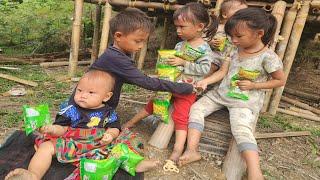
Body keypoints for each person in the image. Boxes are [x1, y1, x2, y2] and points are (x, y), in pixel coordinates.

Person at [179, 8, 286, 180]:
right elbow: (223, 72)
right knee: (196, 109)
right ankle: (192, 150)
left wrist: (254, 85)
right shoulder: (234, 49)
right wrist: (206, 81)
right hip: (221, 94)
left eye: (239, 36)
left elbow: (280, 81)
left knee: (241, 129)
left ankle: (255, 172)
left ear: (259, 33)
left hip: (244, 102)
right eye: (231, 36)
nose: (233, 40)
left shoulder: (268, 57)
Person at [5, 70, 160, 180]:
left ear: (106, 96)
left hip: (98, 143)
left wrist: (110, 135)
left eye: (91, 92)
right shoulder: (70, 109)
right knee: (46, 148)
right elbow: (62, 128)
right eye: (79, 90)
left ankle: (138, 165)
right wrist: (51, 128)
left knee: (123, 145)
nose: (82, 95)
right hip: (71, 141)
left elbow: (115, 127)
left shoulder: (108, 112)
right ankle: (33, 175)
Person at [123, 2, 219, 164]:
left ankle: (177, 149)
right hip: (169, 85)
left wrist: (183, 63)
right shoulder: (180, 45)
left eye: (182, 27)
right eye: (177, 27)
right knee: (153, 104)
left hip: (187, 90)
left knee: (181, 117)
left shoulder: (204, 49)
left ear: (199, 26)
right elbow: (171, 65)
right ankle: (130, 123)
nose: (178, 30)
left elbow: (204, 70)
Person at [89, 7, 194, 111]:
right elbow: (147, 82)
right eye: (138, 41)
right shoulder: (115, 58)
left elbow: (137, 78)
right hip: (87, 110)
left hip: (96, 107)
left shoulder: (115, 55)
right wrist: (185, 88)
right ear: (118, 36)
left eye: (143, 41)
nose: (141, 46)